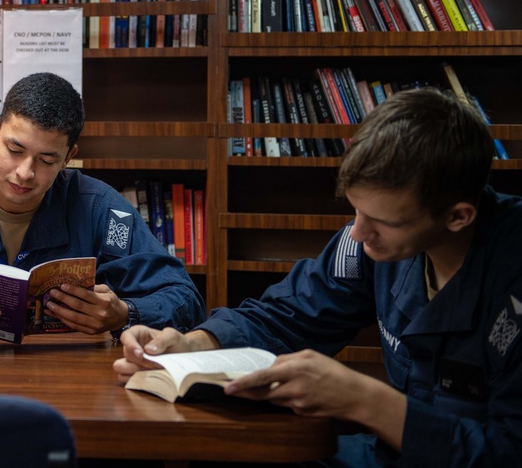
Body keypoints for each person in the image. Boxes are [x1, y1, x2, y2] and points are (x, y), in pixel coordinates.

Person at [114, 87, 522, 466]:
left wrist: (364, 400)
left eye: (381, 221)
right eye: (355, 211)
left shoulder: (510, 274)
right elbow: (289, 313)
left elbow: (507, 450)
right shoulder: (371, 242)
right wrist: (193, 342)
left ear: (457, 216)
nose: (359, 234)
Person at [0, 72, 204, 339]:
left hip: (67, 386)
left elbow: (185, 299)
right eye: (14, 150)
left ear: (69, 158)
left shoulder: (99, 207)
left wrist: (125, 314)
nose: (25, 173)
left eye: (47, 160)